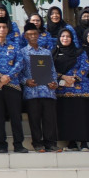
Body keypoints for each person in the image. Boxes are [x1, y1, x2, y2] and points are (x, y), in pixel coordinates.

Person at [0, 17, 27, 153]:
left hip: (13, 85)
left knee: (16, 116)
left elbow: (20, 63)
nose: (2, 29)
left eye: (4, 27)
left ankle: (19, 144)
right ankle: (2, 145)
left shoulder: (14, 46)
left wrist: (8, 77)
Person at [20, 22, 58, 152]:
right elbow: (18, 73)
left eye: (35, 34)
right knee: (34, 119)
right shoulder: (22, 52)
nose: (33, 36)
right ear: (25, 36)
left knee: (49, 118)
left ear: (39, 35)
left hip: (47, 91)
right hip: (32, 91)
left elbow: (52, 70)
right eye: (30, 34)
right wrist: (26, 81)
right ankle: (37, 143)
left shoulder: (46, 52)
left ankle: (50, 143)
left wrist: (54, 82)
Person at [53, 29, 88, 150]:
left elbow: (85, 65)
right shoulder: (54, 53)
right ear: (59, 38)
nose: (65, 38)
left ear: (72, 39)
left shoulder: (79, 52)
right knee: (67, 116)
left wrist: (74, 78)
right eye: (63, 36)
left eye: (68, 36)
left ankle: (84, 143)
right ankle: (71, 142)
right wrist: (62, 77)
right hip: (62, 90)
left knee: (81, 116)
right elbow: (51, 69)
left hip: (79, 90)